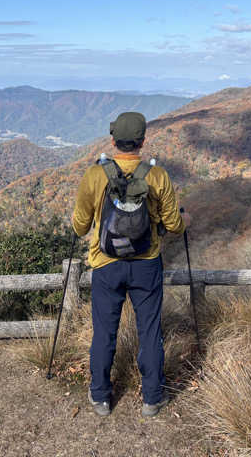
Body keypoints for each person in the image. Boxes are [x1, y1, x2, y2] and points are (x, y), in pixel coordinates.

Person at [71, 111, 190, 417]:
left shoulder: (95, 175)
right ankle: (152, 398)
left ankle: (100, 396)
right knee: (149, 330)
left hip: (105, 264)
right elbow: (174, 225)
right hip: (146, 263)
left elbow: (80, 226)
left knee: (104, 331)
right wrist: (184, 219)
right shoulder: (157, 175)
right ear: (142, 140)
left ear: (113, 140)